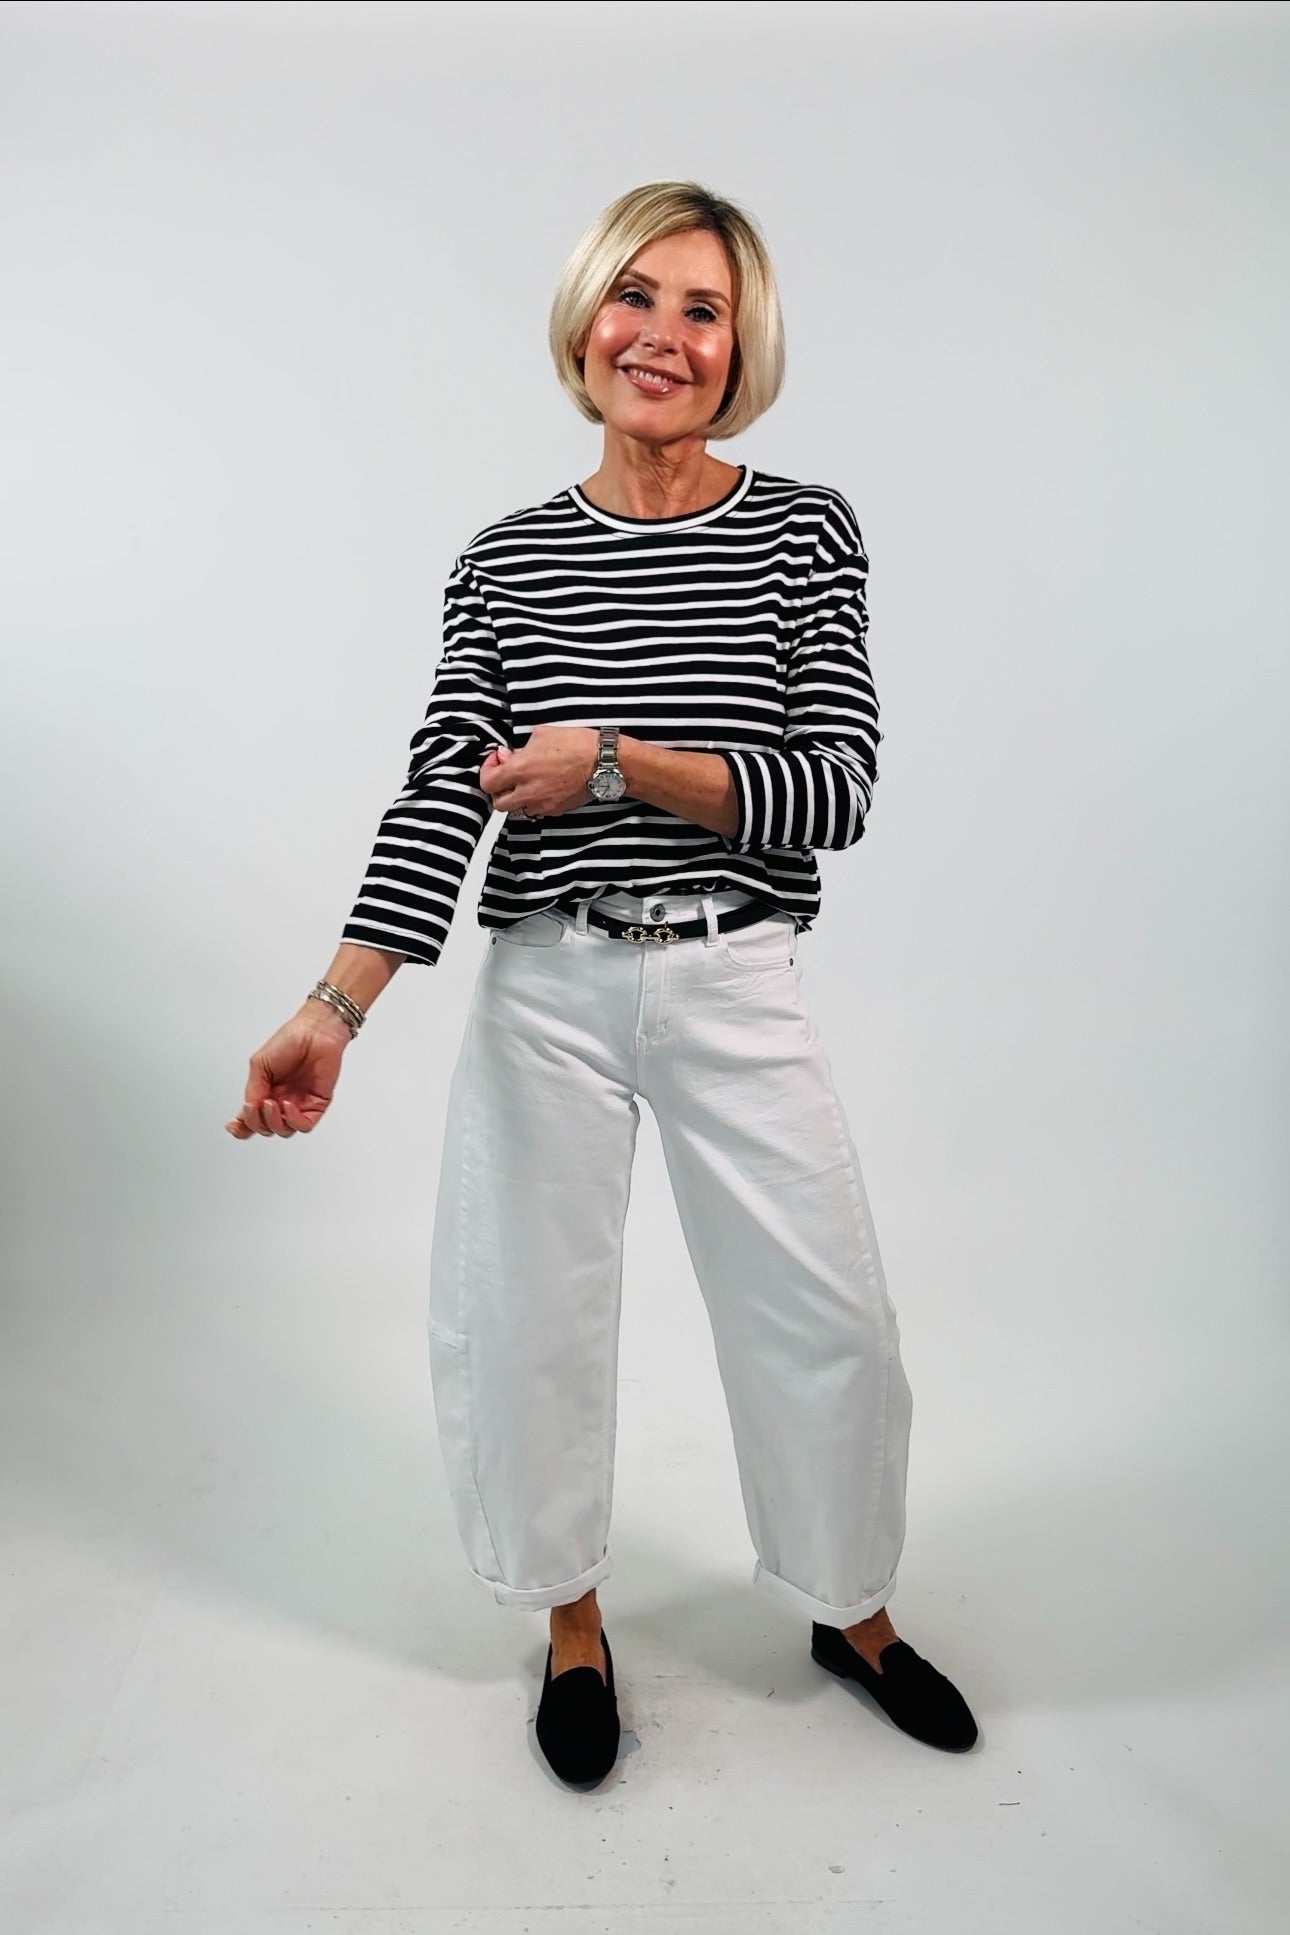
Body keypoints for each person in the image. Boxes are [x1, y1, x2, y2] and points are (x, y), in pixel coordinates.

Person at [226, 180, 978, 1787]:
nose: (663, 336)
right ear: (584, 320)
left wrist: (615, 762)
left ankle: (848, 1610)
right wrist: (333, 1008)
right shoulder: (504, 560)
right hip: (550, 990)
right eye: (636, 296)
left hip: (732, 969)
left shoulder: (802, 531)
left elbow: (833, 788)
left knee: (827, 1316)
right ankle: (571, 1626)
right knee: (528, 1322)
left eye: (704, 310)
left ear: (740, 351)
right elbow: (440, 791)